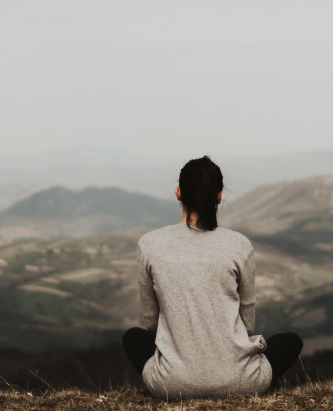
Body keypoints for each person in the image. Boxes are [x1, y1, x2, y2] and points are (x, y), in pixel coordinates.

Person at [123, 156, 303, 398]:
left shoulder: (149, 244)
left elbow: (152, 322)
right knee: (290, 341)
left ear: (178, 193)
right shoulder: (239, 244)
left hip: (171, 385)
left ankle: (178, 378)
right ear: (219, 196)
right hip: (242, 383)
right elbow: (247, 323)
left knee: (133, 338)